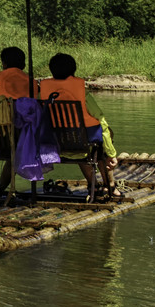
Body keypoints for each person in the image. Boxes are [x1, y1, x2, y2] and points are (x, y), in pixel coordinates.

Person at [38, 52, 118, 201]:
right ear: (73, 70)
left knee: (80, 141)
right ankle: (110, 185)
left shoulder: (43, 91)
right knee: (102, 140)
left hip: (54, 140)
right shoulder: (82, 92)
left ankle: (93, 184)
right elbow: (100, 118)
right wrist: (111, 153)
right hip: (81, 140)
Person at [0, 46, 31, 201]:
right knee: (15, 153)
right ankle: (0, 188)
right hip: (24, 140)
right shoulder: (32, 85)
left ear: (3, 64)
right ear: (23, 65)